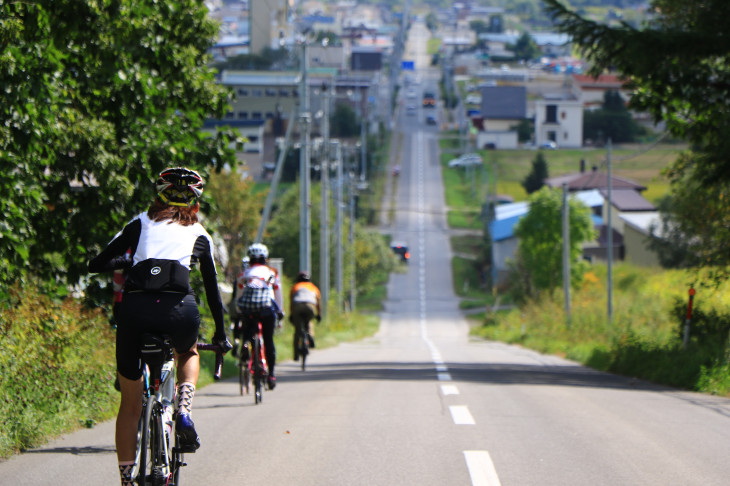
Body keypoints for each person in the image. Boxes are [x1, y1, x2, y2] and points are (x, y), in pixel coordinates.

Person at [88, 167, 231, 486]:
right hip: (179, 310)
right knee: (188, 351)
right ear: (195, 203)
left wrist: (130, 262)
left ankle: (126, 480)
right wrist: (221, 334)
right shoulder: (200, 232)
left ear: (158, 195)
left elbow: (97, 263)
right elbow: (211, 288)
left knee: (129, 402)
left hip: (135, 311)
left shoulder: (138, 222)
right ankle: (183, 408)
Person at [236, 243, 284, 389]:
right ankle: (272, 374)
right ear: (265, 258)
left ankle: (245, 344)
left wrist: (239, 310)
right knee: (269, 341)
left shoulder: (244, 274)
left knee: (248, 331)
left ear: (250, 258)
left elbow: (239, 295)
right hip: (266, 308)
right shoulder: (271, 273)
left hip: (249, 309)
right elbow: (278, 293)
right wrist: (280, 311)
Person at [289, 271, 321, 359]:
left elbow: (291, 302)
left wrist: (291, 314)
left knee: (297, 331)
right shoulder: (313, 287)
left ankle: (296, 354)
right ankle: (310, 335)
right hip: (310, 307)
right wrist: (319, 314)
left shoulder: (295, 287)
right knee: (309, 322)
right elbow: (318, 303)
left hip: (297, 306)